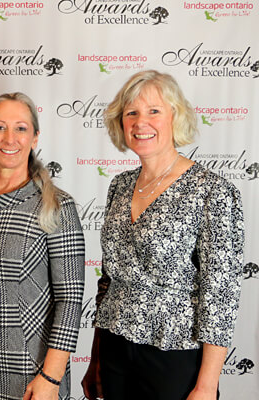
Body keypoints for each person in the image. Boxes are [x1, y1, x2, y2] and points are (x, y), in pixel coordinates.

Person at [81, 70, 244, 400]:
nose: (142, 122)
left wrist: (207, 384)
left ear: (176, 116)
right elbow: (109, 280)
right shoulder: (120, 185)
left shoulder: (212, 190)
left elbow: (221, 294)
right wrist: (95, 356)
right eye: (132, 113)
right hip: (115, 347)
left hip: (174, 354)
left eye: (154, 110)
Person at [0, 92, 86, 400]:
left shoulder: (56, 206)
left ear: (35, 137)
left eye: (21, 128)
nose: (9, 138)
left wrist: (51, 377)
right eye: (0, 127)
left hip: (32, 372)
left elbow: (70, 300)